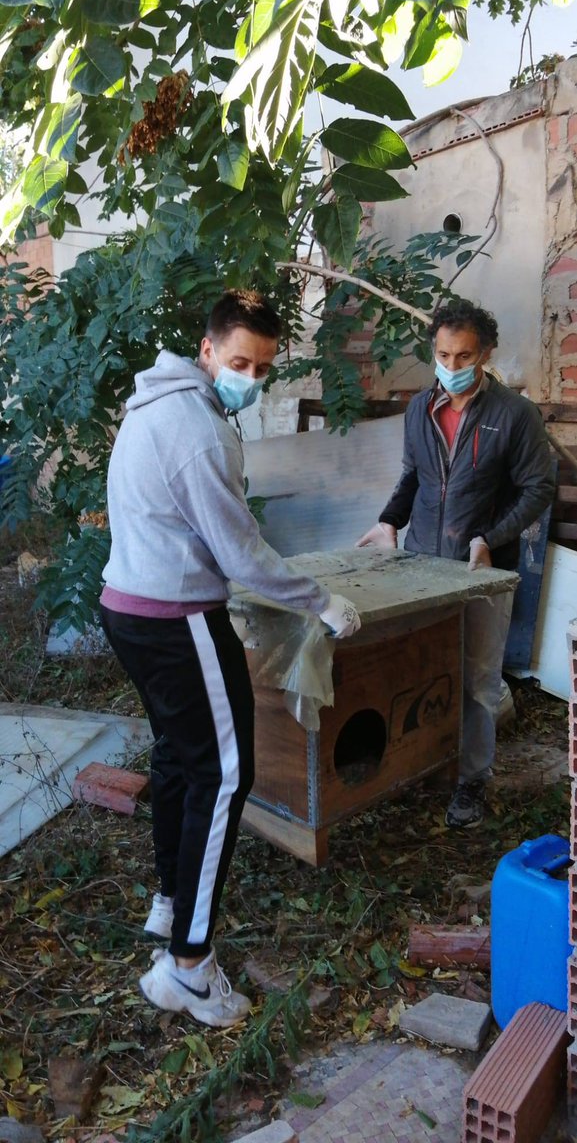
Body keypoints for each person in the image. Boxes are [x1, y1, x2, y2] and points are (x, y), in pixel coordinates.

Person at [100, 289, 360, 1027]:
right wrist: (320, 601)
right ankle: (188, 967)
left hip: (128, 605)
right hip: (176, 617)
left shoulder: (153, 403)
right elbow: (240, 553)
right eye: (240, 362)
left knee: (180, 757)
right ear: (207, 349)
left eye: (263, 367)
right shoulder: (199, 431)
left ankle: (170, 902)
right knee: (225, 775)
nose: (251, 377)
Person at [356, 300, 555, 829]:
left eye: (464, 355)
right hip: (422, 564)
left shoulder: (514, 415)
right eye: (443, 355)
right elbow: (412, 476)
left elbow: (539, 488)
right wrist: (389, 521)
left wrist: (490, 538)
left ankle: (471, 781)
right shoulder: (420, 409)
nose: (451, 365)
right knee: (419, 668)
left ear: (485, 353)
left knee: (478, 681)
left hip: (481, 570)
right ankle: (420, 762)